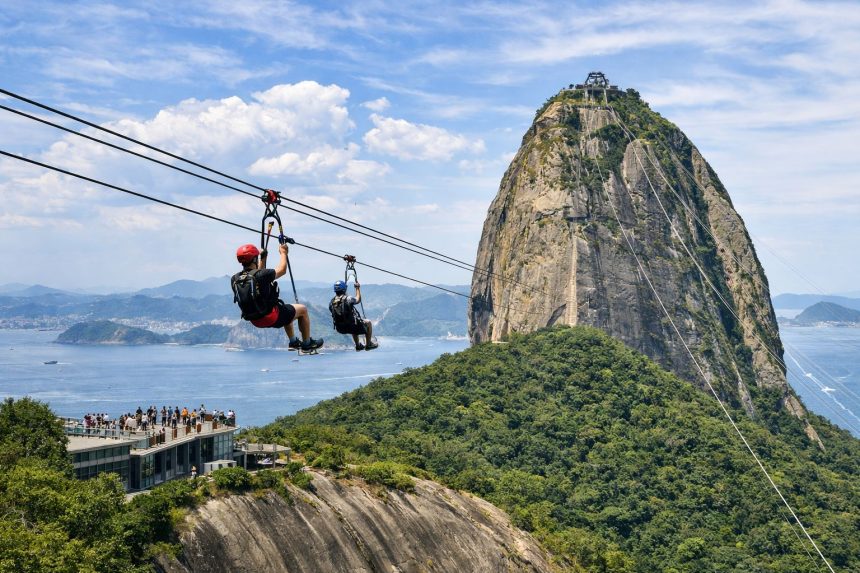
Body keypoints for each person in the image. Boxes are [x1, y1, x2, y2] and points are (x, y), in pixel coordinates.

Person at [232, 243, 323, 353]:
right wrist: (283, 252)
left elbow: (258, 277)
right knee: (302, 309)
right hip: (271, 317)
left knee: (286, 309)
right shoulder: (262, 275)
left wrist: (263, 259)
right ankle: (307, 344)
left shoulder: (235, 279)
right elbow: (282, 270)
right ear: (254, 258)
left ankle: (293, 342)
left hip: (255, 320)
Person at [329, 280, 377, 351]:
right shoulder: (348, 299)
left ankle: (358, 345)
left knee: (353, 323)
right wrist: (357, 288)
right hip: (352, 326)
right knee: (368, 323)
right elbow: (358, 299)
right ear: (344, 289)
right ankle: (368, 344)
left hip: (340, 329)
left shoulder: (331, 302)